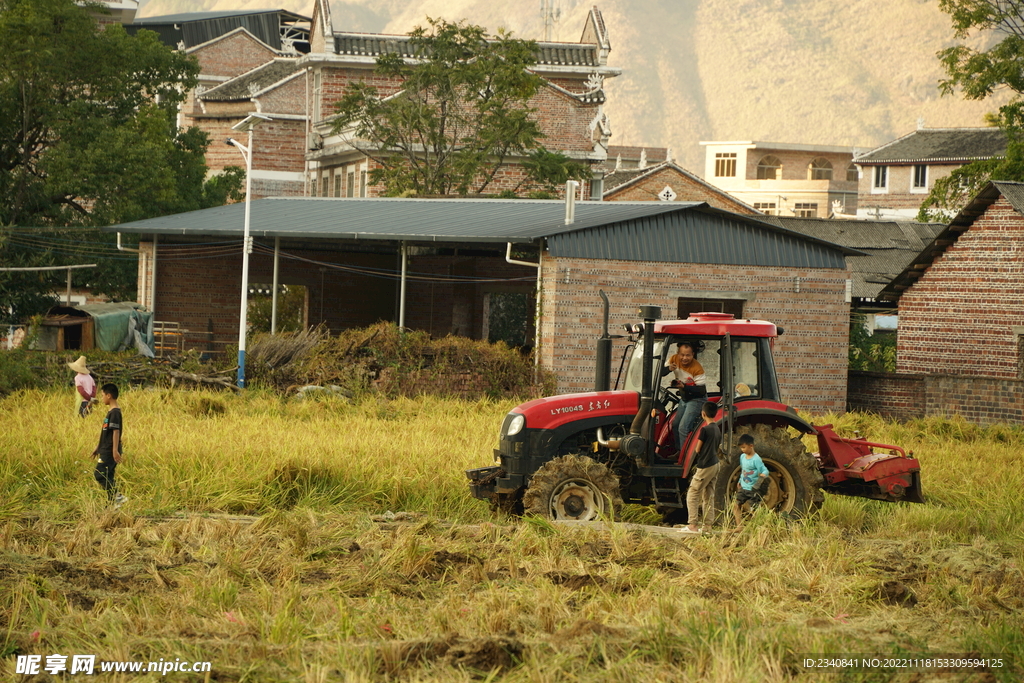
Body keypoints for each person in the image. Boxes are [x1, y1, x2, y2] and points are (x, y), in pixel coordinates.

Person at [685, 401, 721, 533]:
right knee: (709, 495)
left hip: (705, 465)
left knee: (693, 493)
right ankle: (707, 526)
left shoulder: (704, 430)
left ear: (703, 414)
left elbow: (698, 449)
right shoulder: (717, 428)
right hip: (716, 463)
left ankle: (692, 525)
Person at [665, 342, 706, 454]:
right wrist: (668, 369)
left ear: (693, 354)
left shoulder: (697, 368)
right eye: (682, 355)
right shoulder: (674, 359)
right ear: (678, 354)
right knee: (675, 425)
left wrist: (684, 386)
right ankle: (679, 451)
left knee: (683, 428)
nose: (684, 358)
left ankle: (684, 457)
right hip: (684, 398)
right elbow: (662, 372)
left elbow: (701, 391)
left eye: (688, 355)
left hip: (696, 399)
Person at [91, 383, 126, 508]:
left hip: (110, 450)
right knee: (108, 475)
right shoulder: (110, 412)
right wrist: (98, 447)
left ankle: (117, 496)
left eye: (102, 395)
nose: (101, 398)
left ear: (109, 395)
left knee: (99, 474)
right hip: (105, 448)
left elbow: (116, 432)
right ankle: (112, 505)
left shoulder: (115, 412)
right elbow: (106, 432)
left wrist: (115, 450)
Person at [732, 433, 769, 528]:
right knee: (736, 506)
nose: (742, 450)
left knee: (754, 510)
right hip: (743, 487)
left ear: (751, 446)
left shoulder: (756, 459)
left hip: (753, 489)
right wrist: (740, 480)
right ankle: (739, 526)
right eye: (741, 448)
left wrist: (763, 475)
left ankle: (759, 528)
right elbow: (743, 470)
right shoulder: (742, 457)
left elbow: (765, 470)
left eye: (744, 447)